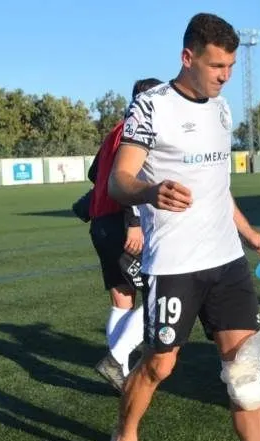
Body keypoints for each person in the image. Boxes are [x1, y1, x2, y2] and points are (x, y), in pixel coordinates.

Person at [106, 12, 260, 441]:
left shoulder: (222, 111)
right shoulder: (150, 107)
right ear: (188, 57)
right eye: (216, 65)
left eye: (230, 66)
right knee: (161, 364)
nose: (225, 76)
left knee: (245, 371)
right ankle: (124, 435)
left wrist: (251, 237)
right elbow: (119, 180)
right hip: (175, 264)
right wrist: (151, 191)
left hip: (226, 262)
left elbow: (219, 191)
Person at [84, 77, 164, 392]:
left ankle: (122, 373)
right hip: (122, 221)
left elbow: (93, 174)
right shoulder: (137, 131)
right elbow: (128, 175)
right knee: (161, 292)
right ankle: (118, 358)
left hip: (101, 223)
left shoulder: (114, 131)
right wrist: (133, 221)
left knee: (121, 299)